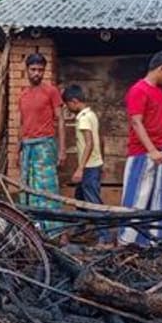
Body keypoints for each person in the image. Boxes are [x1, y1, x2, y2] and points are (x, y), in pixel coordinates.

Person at [120, 51, 162, 245]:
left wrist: (161, 149)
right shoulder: (139, 90)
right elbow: (136, 122)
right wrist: (152, 151)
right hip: (143, 155)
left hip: (160, 153)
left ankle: (157, 240)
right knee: (138, 200)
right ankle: (129, 243)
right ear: (161, 68)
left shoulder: (158, 92)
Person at [17, 53, 65, 231]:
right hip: (27, 147)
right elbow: (22, 123)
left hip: (45, 146)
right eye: (33, 69)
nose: (37, 73)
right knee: (27, 188)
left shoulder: (51, 91)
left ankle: (56, 231)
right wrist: (18, 148)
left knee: (47, 190)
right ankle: (33, 230)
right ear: (27, 70)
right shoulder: (23, 95)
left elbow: (60, 120)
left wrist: (62, 150)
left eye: (40, 70)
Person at [65, 85, 109, 243]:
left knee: (93, 203)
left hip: (89, 167)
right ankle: (80, 229)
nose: (68, 109)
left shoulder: (83, 118)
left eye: (68, 105)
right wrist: (101, 163)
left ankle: (105, 237)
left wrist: (80, 168)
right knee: (80, 198)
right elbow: (100, 140)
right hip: (94, 165)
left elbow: (89, 144)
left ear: (74, 101)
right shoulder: (91, 115)